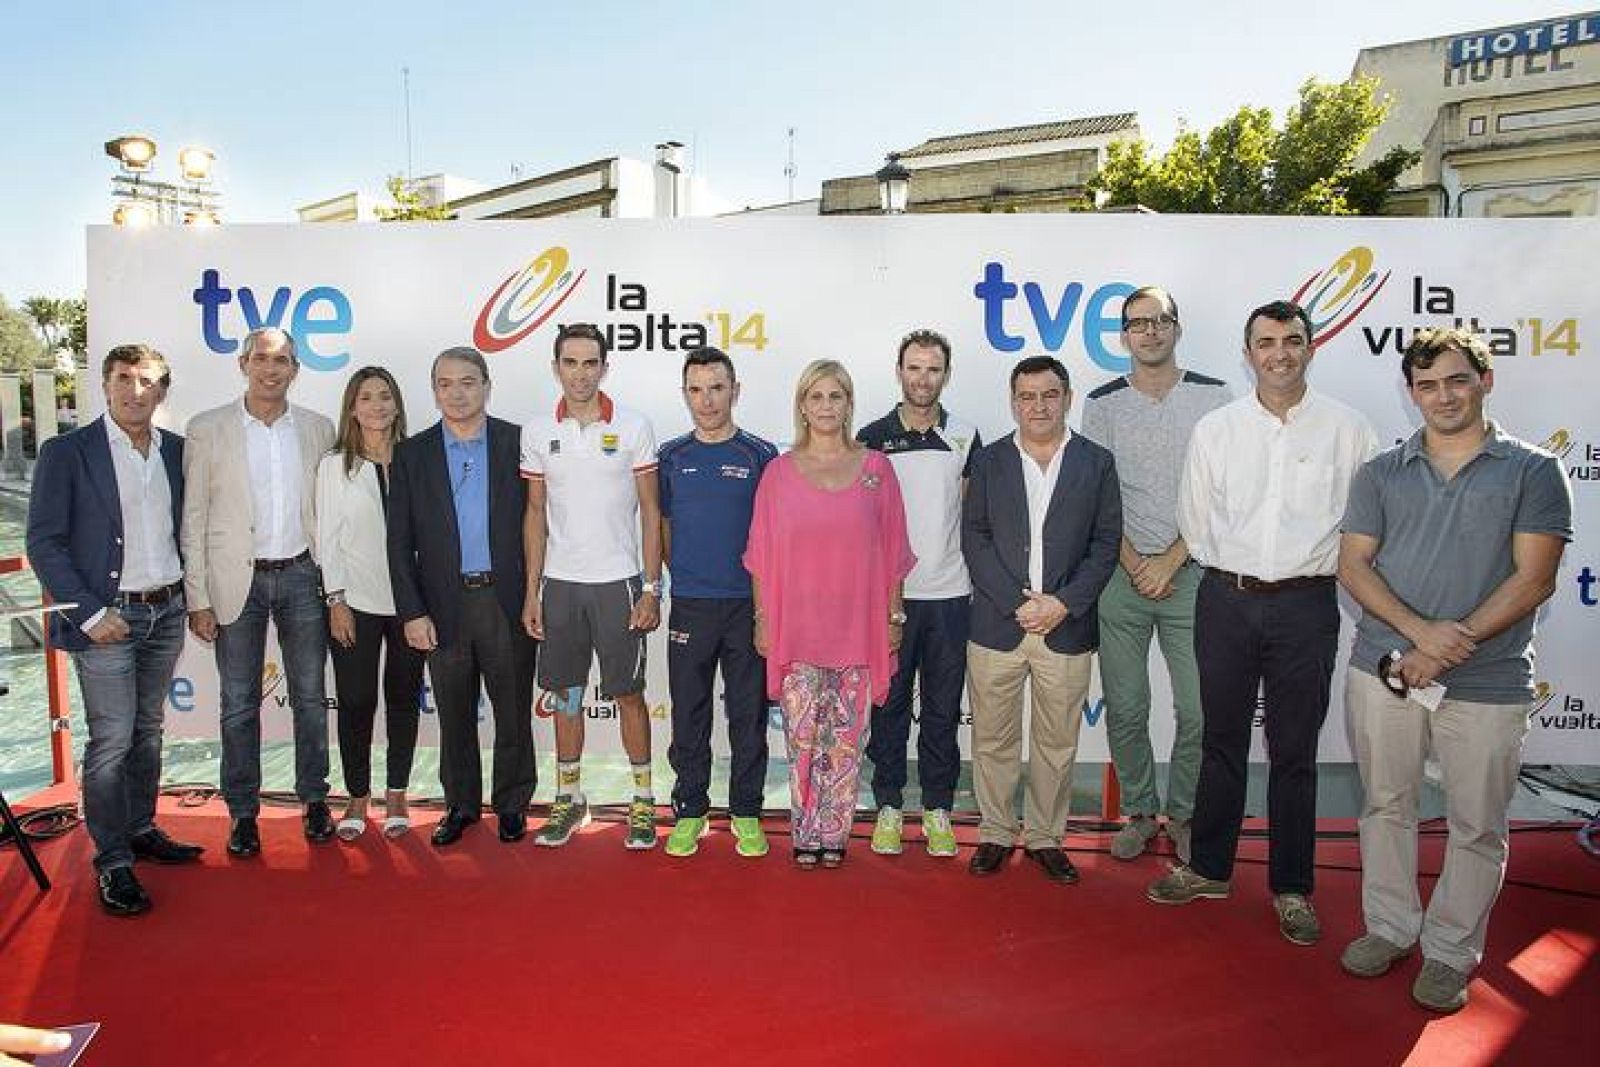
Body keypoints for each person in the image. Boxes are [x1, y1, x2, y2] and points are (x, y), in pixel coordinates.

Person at [1337, 328, 1570, 1013]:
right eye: (1427, 385)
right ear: (1412, 394)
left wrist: (1446, 644)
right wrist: (1417, 635)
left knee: (1476, 824)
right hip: (1386, 668)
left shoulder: (1532, 471)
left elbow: (1534, 580)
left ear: (1484, 381)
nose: (1442, 395)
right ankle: (1389, 926)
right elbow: (1354, 564)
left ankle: (1448, 951)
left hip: (1490, 681)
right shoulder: (1381, 471)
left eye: (1456, 380)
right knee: (1385, 805)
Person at [1148, 300, 1378, 947]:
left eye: (1292, 340)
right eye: (1267, 342)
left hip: (1307, 605)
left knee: (1294, 749)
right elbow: (1195, 520)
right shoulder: (1218, 430)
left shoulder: (1350, 430)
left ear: (1310, 348)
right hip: (1225, 599)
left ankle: (1293, 886)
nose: (1280, 352)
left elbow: (1365, 527)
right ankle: (1210, 866)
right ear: (1248, 354)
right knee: (1221, 738)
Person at [27, 344, 202, 915]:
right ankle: (112, 861)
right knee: (111, 741)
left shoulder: (177, 452)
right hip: (107, 618)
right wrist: (90, 612)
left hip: (166, 610)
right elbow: (44, 542)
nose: (134, 390)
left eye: (146, 380)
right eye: (123, 378)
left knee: (148, 731)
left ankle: (141, 827)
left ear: (162, 391)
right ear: (104, 386)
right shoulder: (67, 453)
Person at [744, 359, 914, 869]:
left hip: (858, 630)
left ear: (848, 404)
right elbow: (760, 555)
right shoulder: (777, 472)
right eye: (815, 397)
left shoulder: (877, 469)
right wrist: (761, 619)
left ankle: (834, 835)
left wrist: (894, 617)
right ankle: (804, 832)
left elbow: (895, 551)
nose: (825, 406)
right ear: (802, 405)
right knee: (801, 741)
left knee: (844, 744)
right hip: (796, 629)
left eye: (834, 396)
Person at [1081, 288, 1230, 864]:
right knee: (1125, 704)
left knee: (1197, 709)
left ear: (1177, 327)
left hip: (1192, 572)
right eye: (1137, 323)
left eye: (1160, 320)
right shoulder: (1102, 404)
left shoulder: (1215, 398)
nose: (1149, 332)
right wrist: (1135, 562)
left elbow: (1223, 491)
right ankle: (1142, 812)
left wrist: (1171, 559)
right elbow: (1094, 494)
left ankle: (1187, 812)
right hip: (1121, 576)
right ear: (1123, 335)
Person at [963, 355, 1121, 885]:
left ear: (1067, 398)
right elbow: (975, 538)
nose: (1038, 405)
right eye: (1027, 396)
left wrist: (1062, 604)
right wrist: (1017, 602)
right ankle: (995, 832)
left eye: (1048, 395)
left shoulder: (1096, 462)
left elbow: (1105, 545)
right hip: (996, 623)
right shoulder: (987, 463)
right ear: (1013, 402)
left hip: (1066, 626)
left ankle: (1046, 837)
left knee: (1056, 743)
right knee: (992, 739)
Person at [182, 327, 336, 857]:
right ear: (243, 363)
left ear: (296, 369)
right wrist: (197, 596)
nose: (272, 370)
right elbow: (194, 516)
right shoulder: (207, 429)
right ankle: (243, 812)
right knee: (238, 703)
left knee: (311, 698)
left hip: (301, 575)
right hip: (234, 583)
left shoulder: (318, 428)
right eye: (263, 360)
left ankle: (315, 800)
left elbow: (328, 511)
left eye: (284, 361)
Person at [521, 323, 664, 850]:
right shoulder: (537, 431)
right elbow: (534, 515)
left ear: (604, 367)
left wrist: (651, 588)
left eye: (589, 363)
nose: (580, 373)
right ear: (555, 366)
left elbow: (651, 511)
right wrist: (531, 591)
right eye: (570, 362)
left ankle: (643, 803)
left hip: (619, 583)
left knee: (628, 694)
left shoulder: (633, 425)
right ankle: (569, 798)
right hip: (560, 586)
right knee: (565, 696)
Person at [389, 346, 537, 847]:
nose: (457, 393)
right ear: (434, 391)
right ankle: (461, 805)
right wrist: (411, 611)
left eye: (468, 382)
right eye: (446, 383)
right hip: (443, 605)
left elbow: (540, 522)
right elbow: (398, 539)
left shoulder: (518, 443)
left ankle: (513, 804)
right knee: (454, 712)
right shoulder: (412, 453)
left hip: (506, 599)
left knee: (514, 709)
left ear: (486, 386)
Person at [856, 329, 981, 859]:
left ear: (945, 375)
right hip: (888, 600)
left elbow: (971, 519)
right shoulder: (870, 437)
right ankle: (887, 806)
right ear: (899, 371)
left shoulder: (966, 435)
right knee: (887, 708)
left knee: (942, 709)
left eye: (933, 369)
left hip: (951, 596)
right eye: (914, 367)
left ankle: (937, 809)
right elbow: (859, 527)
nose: (923, 378)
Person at [657, 347, 778, 858]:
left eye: (717, 387)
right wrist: (681, 575)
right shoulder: (671, 456)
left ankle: (746, 811)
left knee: (748, 715)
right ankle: (690, 810)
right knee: (689, 713)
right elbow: (660, 529)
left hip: (747, 607)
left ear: (735, 390)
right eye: (696, 389)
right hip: (689, 604)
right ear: (685, 393)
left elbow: (774, 535)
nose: (706, 400)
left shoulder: (761, 454)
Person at [315, 366, 426, 841]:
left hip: (410, 606)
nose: (377, 406)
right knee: (357, 702)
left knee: (403, 701)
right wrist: (335, 600)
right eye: (366, 398)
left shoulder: (417, 460)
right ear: (352, 407)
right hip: (354, 602)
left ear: (397, 404)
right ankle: (357, 797)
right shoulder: (334, 465)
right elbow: (327, 540)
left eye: (385, 396)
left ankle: (397, 792)